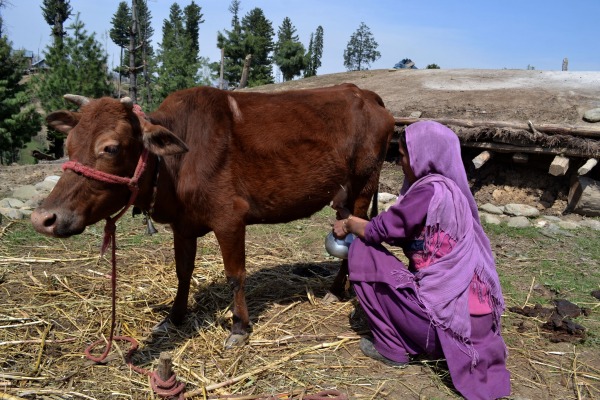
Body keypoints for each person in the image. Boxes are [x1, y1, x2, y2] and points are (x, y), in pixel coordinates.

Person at [332, 121, 511, 400]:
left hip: (442, 328)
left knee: (362, 251)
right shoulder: (453, 194)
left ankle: (392, 347)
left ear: (423, 156)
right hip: (475, 329)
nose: (401, 162)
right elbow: (399, 234)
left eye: (403, 155)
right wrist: (351, 215)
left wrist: (349, 224)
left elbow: (379, 231)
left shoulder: (429, 191)